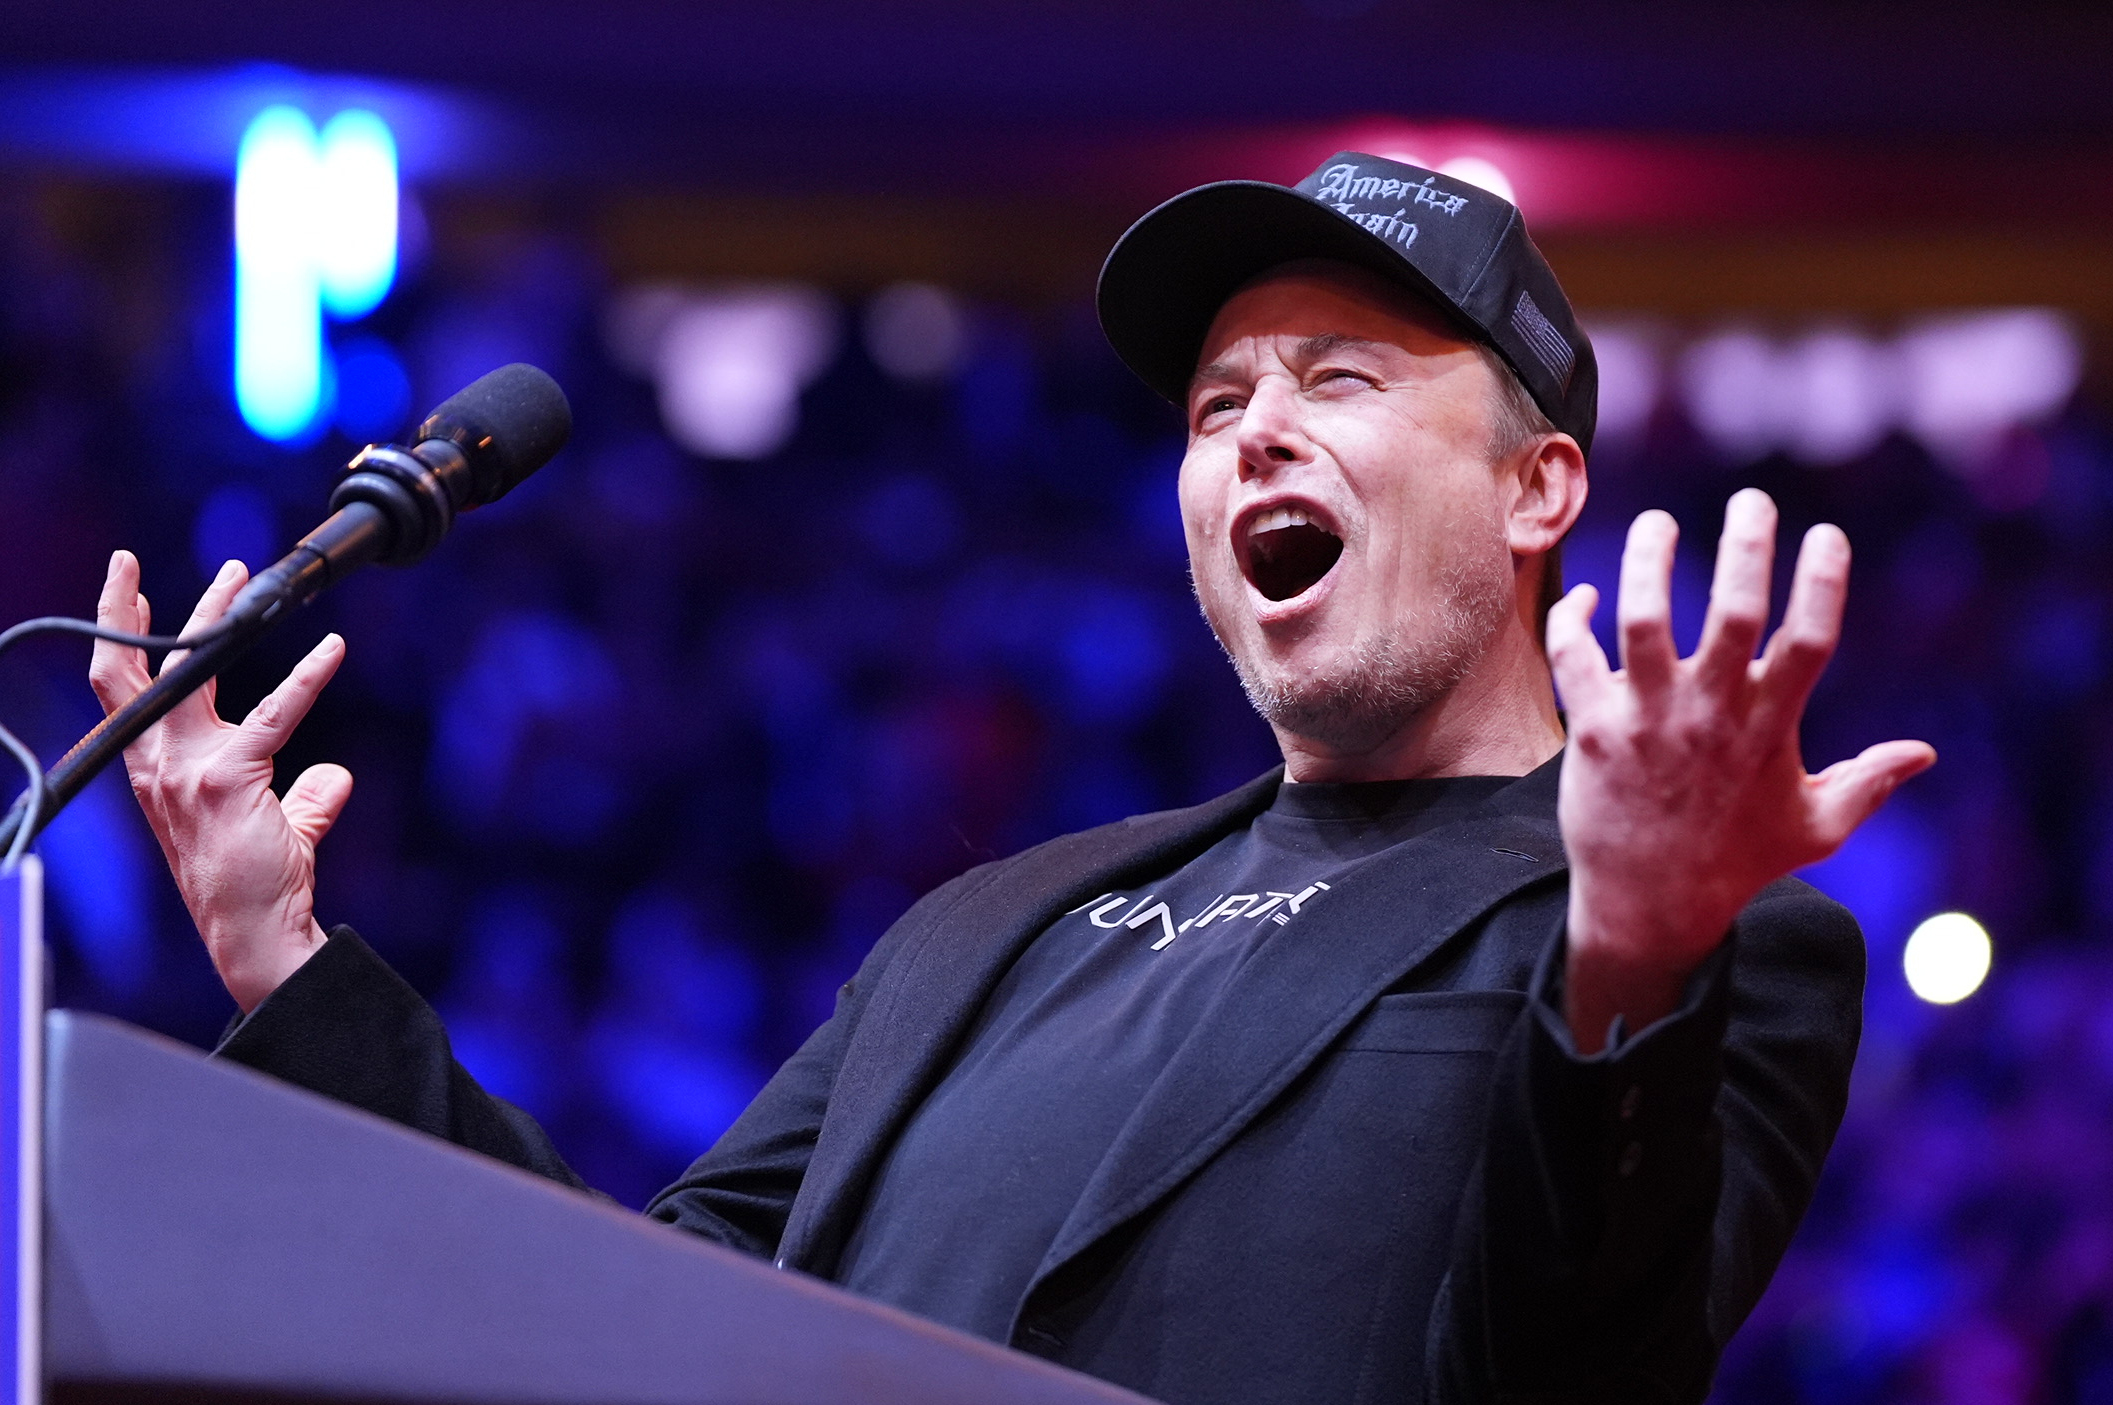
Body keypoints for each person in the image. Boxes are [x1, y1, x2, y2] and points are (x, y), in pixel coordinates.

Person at [88, 152, 1934, 1404]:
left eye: (1342, 379)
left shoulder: (1700, 949)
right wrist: (285, 956)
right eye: (1217, 409)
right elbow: (622, 1325)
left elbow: (1564, 1377)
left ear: (1537, 493)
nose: (1256, 427)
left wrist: (1628, 960)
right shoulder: (984, 927)